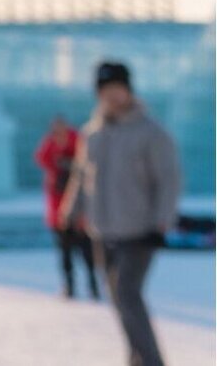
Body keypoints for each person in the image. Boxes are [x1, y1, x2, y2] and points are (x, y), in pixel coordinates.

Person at [60, 61, 181, 366]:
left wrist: (161, 220)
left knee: (128, 295)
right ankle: (136, 359)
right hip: (103, 229)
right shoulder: (92, 133)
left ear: (128, 90)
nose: (112, 96)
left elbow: (169, 179)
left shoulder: (151, 132)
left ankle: (152, 361)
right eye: (106, 90)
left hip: (140, 229)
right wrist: (70, 211)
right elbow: (81, 176)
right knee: (118, 300)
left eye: (118, 89)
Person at [36, 115, 98, 300]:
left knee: (87, 252)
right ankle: (69, 285)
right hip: (59, 210)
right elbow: (41, 159)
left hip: (80, 212)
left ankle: (93, 285)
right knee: (65, 252)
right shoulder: (50, 144)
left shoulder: (77, 141)